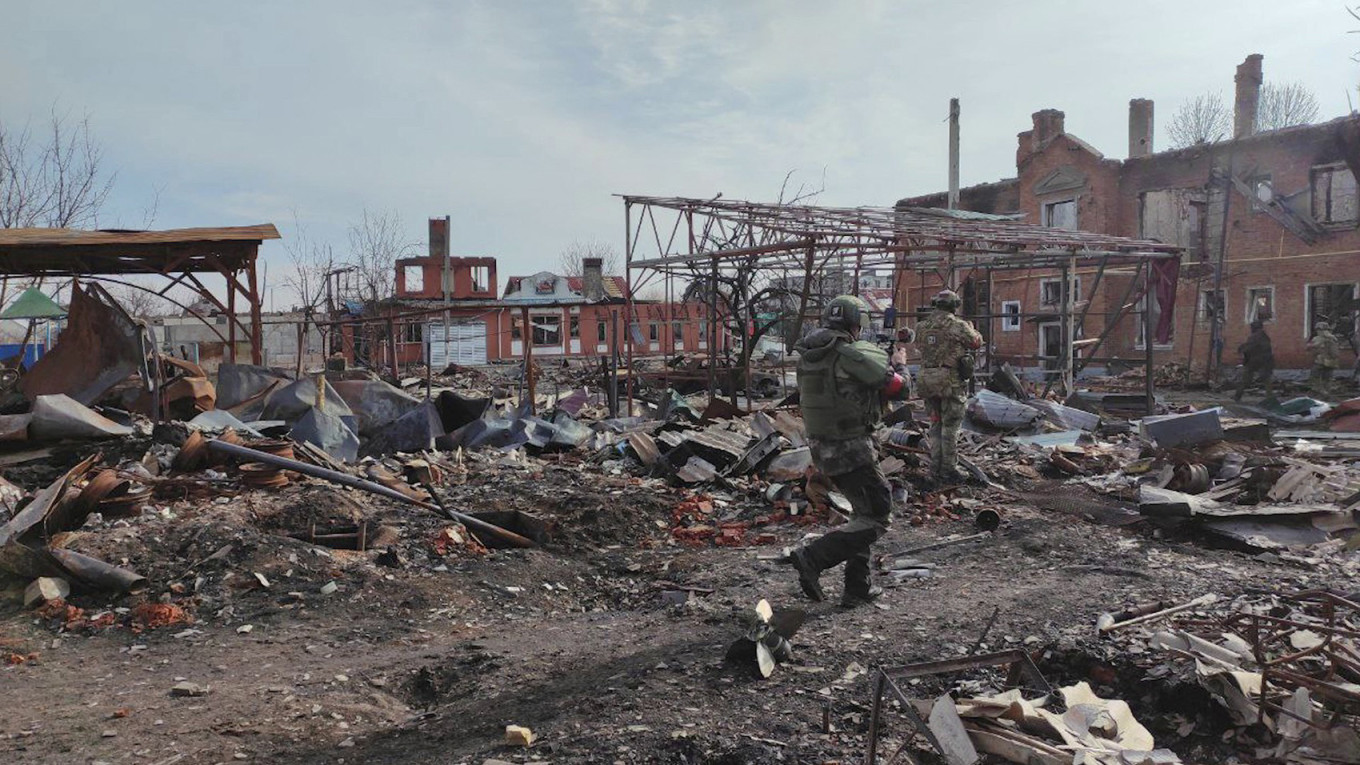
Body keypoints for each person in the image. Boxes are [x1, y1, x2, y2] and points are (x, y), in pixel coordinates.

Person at [786, 295, 911, 608]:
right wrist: (900, 365)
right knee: (879, 515)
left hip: (822, 448)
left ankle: (857, 587)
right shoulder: (851, 355)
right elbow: (899, 388)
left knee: (861, 512)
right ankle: (813, 557)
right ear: (857, 325)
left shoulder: (810, 355)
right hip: (852, 448)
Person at [913, 289, 983, 484]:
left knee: (935, 423)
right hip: (949, 382)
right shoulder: (957, 325)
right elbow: (976, 342)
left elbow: (920, 346)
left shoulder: (921, 326)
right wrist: (972, 328)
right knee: (950, 426)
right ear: (954, 306)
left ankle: (935, 467)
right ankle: (948, 470)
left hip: (927, 380)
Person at [1234, 319, 1274, 402]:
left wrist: (1242, 350)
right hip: (1265, 362)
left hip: (1254, 361)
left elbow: (1249, 348)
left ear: (1254, 328)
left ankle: (1237, 397)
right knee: (1267, 381)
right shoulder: (1265, 337)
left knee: (1244, 380)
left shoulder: (1254, 336)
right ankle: (1270, 398)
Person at [1307, 321, 1341, 396]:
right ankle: (1323, 392)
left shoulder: (1327, 339)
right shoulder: (1331, 338)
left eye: (1319, 330)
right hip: (1326, 362)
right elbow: (1309, 347)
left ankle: (1323, 392)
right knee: (1323, 378)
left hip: (1324, 362)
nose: (1319, 331)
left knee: (1320, 378)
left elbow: (1335, 353)